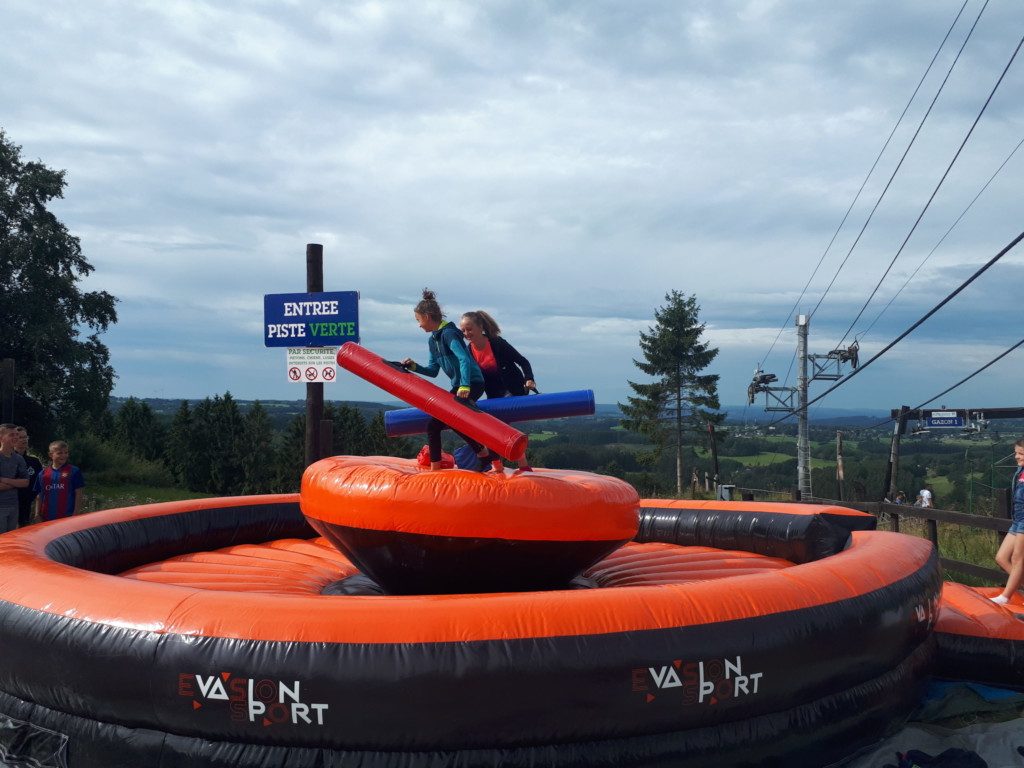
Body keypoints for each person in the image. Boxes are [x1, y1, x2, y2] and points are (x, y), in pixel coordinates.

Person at [401, 289, 498, 472]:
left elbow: (463, 358)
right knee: (435, 425)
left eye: (418, 320)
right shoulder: (432, 341)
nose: (419, 325)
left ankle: (440, 468)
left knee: (437, 424)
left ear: (428, 317)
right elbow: (433, 371)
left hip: (472, 382)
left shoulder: (449, 334)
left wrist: (465, 385)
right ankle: (482, 454)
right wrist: (414, 367)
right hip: (459, 385)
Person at [458, 310, 537, 399]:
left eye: (469, 329)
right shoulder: (468, 352)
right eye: (463, 330)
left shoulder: (497, 343)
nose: (466, 333)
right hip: (493, 395)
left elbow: (523, 362)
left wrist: (529, 379)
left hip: (514, 391)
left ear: (480, 327)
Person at [992, 439, 1024, 605]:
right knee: (1001, 557)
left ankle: (1005, 597)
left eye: (1021, 453)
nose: (1016, 457)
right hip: (1017, 519)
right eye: (1016, 453)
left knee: (1019, 558)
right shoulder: (1020, 471)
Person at [33, 440, 86, 522]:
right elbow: (40, 496)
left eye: (66, 452)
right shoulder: (43, 474)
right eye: (60, 453)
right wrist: (37, 514)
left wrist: (76, 514)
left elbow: (79, 494)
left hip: (67, 518)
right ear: (51, 455)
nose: (64, 455)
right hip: (46, 518)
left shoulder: (74, 471)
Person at [0, 424, 30, 533]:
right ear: (1, 438)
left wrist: (5, 480)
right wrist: (16, 483)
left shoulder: (19, 459)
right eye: (11, 435)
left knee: (10, 541)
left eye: (17, 435)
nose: (16, 437)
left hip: (14, 506)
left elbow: (26, 482)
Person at [14, 426, 42, 527]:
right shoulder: (6, 460)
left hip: (28, 507)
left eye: (26, 437)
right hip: (9, 506)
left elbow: (40, 486)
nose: (24, 440)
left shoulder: (34, 462)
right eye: (21, 437)